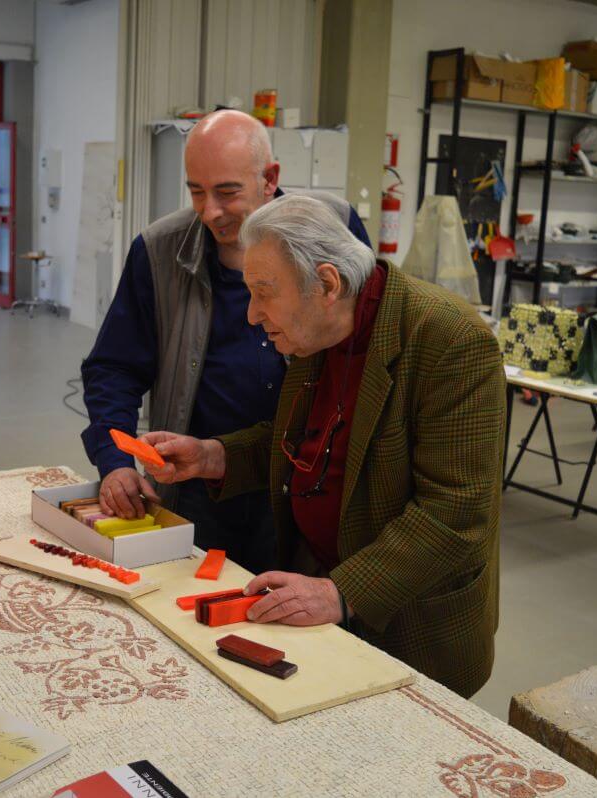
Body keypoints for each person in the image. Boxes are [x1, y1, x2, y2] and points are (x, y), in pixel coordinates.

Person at [138, 194, 505, 698]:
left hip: (411, 622)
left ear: (327, 283)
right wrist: (212, 456)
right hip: (322, 592)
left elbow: (455, 511)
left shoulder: (450, 341)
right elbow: (298, 438)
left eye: (263, 293)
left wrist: (343, 593)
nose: (251, 315)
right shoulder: (320, 329)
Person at [79, 110, 371, 574]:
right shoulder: (158, 252)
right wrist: (114, 460)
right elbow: (113, 367)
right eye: (196, 190)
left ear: (269, 178)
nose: (209, 210)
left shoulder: (333, 228)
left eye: (227, 192)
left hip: (310, 482)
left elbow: (364, 348)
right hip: (202, 487)